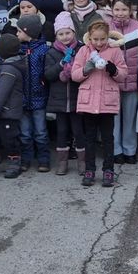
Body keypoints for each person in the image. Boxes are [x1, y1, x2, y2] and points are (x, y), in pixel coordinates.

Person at [70, 17, 128, 188]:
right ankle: (90, 170)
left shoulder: (115, 51)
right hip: (88, 103)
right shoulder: (84, 51)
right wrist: (86, 69)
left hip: (107, 103)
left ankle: (108, 170)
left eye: (102, 39)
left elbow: (124, 74)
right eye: (96, 39)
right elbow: (74, 74)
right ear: (89, 37)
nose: (99, 42)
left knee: (108, 138)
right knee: (89, 138)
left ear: (107, 36)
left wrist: (113, 70)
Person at [108, 0, 138, 164]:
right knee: (114, 119)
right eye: (117, 9)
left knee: (130, 119)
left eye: (124, 9)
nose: (120, 13)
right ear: (111, 10)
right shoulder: (107, 27)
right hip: (112, 82)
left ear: (130, 10)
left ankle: (130, 150)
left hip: (132, 82)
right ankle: (115, 150)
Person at [45, 12, 83, 176]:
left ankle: (82, 161)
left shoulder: (81, 49)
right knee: (61, 131)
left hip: (77, 99)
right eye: (61, 34)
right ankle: (62, 162)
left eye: (68, 33)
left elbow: (84, 72)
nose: (65, 37)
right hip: (59, 100)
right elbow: (48, 75)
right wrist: (61, 64)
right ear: (56, 35)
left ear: (74, 33)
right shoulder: (52, 52)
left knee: (78, 130)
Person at [0, 34, 26, 179]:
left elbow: (2, 93)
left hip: (7, 112)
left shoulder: (9, 69)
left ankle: (15, 162)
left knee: (10, 139)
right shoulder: (3, 66)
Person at [15, 12, 52, 171]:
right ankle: (26, 159)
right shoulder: (18, 50)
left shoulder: (43, 50)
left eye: (19, 31)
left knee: (41, 132)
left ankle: (44, 159)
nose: (16, 34)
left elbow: (47, 72)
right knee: (24, 133)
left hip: (39, 98)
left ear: (28, 32)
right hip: (22, 98)